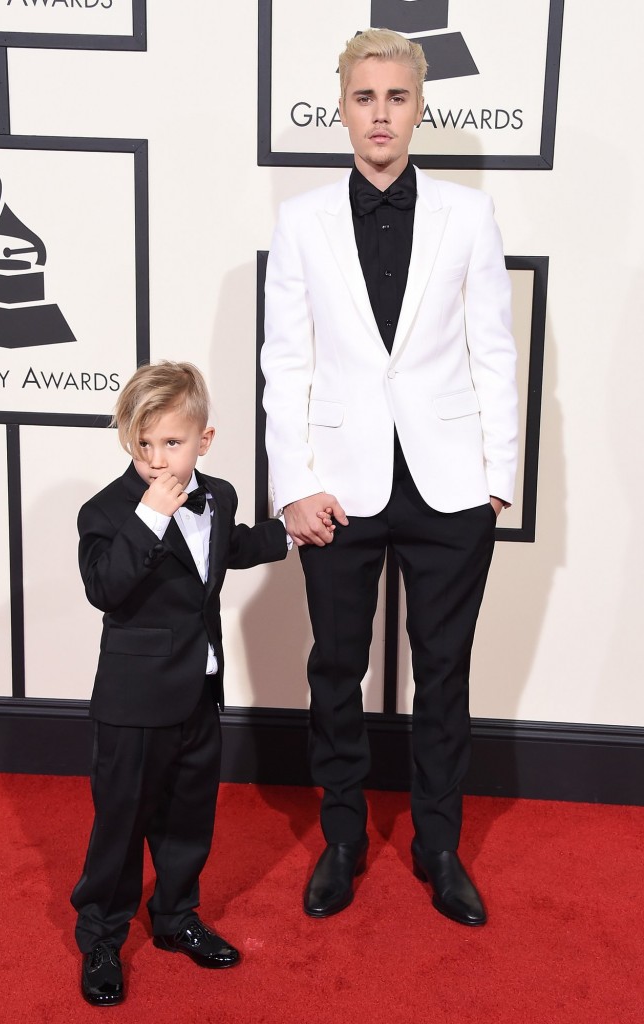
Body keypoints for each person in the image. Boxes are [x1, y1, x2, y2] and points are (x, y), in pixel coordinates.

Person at [261, 28, 517, 927]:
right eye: (365, 98)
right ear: (342, 107)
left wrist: (499, 481)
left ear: (419, 105)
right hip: (337, 484)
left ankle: (439, 846)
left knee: (443, 674)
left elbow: (495, 350)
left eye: (396, 97)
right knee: (337, 668)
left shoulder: (468, 215)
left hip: (450, 487)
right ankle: (341, 840)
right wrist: (291, 483)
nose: (381, 114)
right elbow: (284, 363)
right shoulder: (300, 220)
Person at [71, 360, 287, 1005]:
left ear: (204, 440)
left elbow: (222, 552)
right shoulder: (106, 511)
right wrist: (149, 519)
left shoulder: (218, 494)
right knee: (122, 820)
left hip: (200, 688)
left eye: (172, 442)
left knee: (189, 815)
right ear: (126, 439)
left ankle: (175, 917)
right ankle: (102, 934)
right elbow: (105, 588)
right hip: (133, 703)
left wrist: (289, 535)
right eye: (143, 443)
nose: (158, 459)